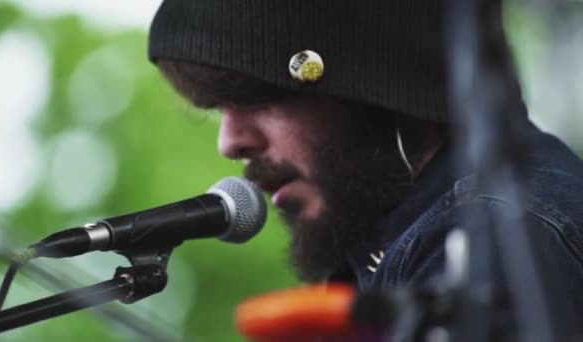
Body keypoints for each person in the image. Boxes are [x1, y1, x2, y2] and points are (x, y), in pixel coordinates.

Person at [147, 0, 583, 337]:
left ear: (369, 88)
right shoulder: (408, 238)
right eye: (217, 109)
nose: (230, 142)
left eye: (258, 98)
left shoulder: (500, 230)